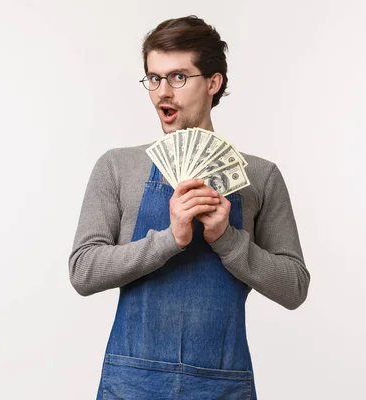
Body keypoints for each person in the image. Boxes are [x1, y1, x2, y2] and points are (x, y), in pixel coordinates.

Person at [68, 15, 310, 400]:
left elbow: (294, 287)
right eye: (154, 78)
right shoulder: (117, 167)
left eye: (179, 77)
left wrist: (228, 239)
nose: (163, 91)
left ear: (213, 83)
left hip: (222, 384)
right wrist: (170, 239)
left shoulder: (260, 176)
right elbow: (83, 271)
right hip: (131, 383)